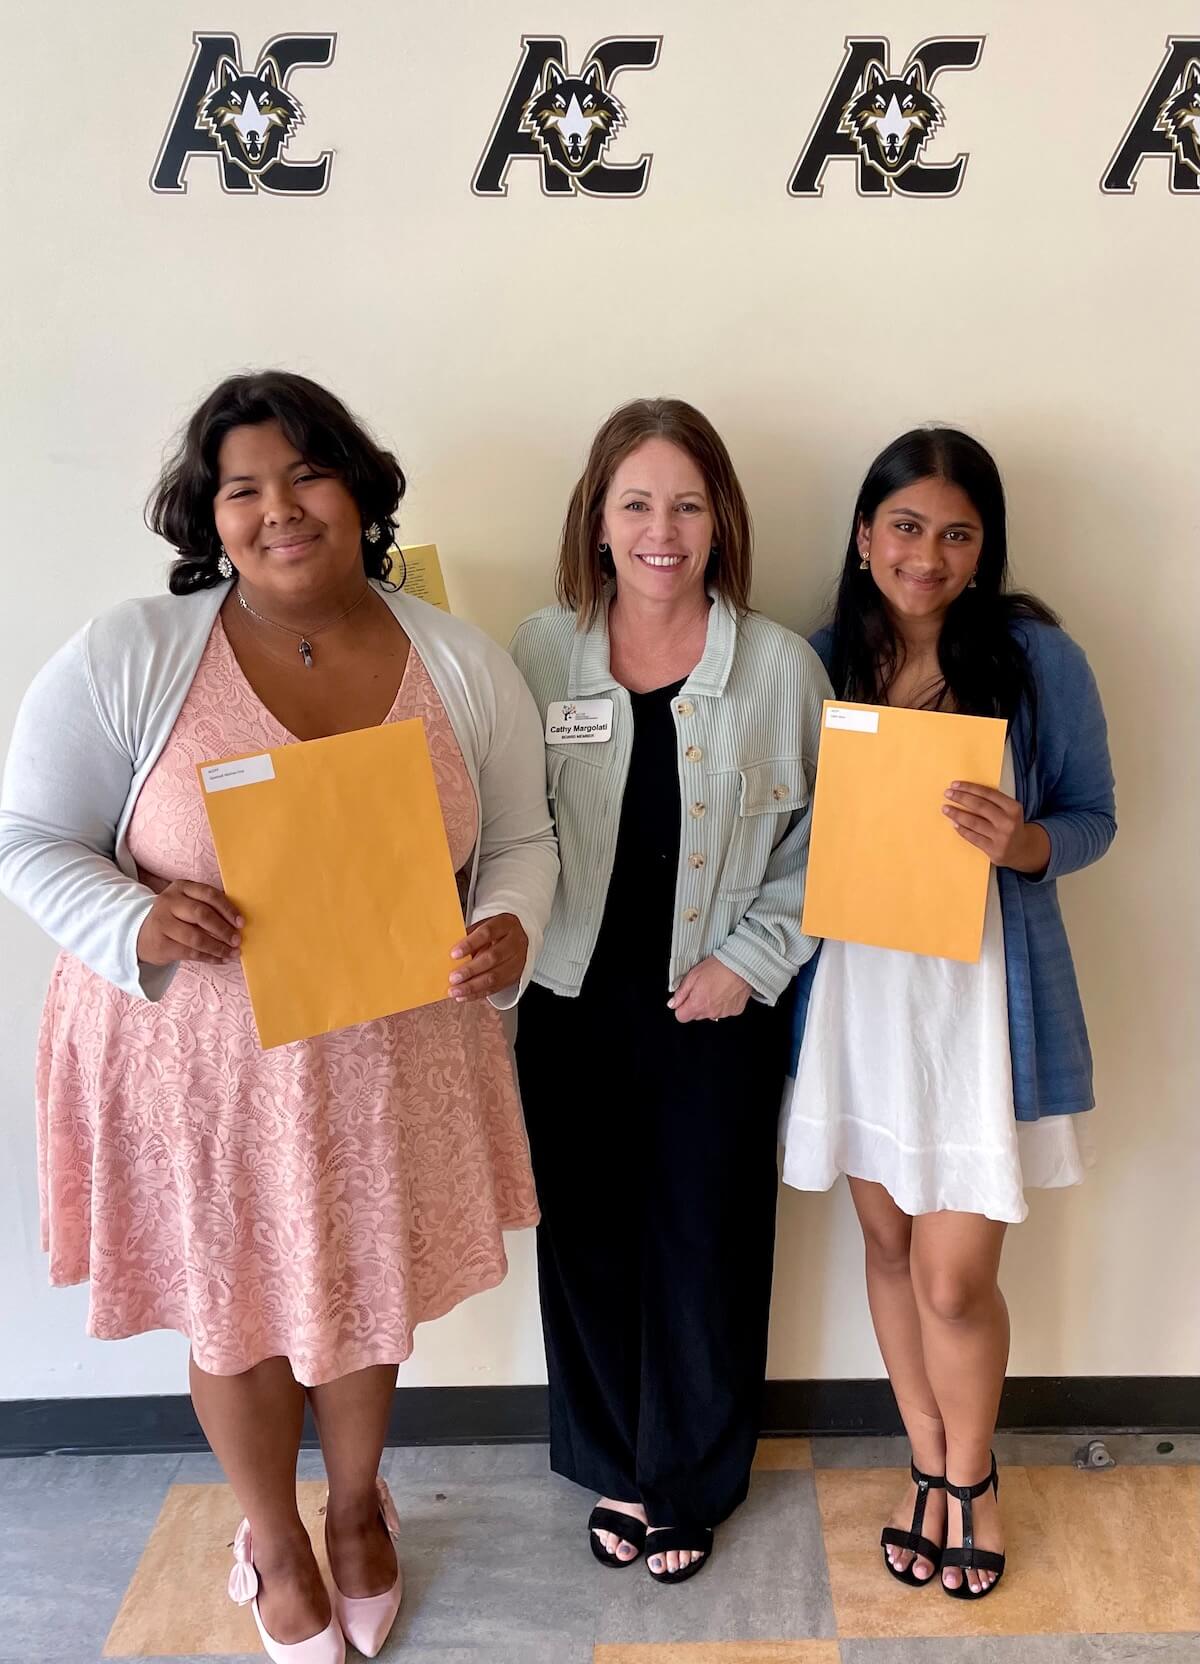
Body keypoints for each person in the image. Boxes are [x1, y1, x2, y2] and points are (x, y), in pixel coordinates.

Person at [0, 371, 558, 1664]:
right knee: (231, 1308)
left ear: (360, 490)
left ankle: (358, 1511)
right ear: (210, 517)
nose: (279, 510)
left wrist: (512, 926)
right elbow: (31, 840)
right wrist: (132, 918)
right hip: (193, 1069)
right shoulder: (133, 654)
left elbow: (522, 840)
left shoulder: (459, 662)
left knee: (365, 1304)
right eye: (241, 489)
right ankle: (272, 1535)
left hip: (386, 1056)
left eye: (306, 476)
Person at [781, 426, 1116, 1601]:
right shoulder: (816, 658)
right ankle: (924, 1457)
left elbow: (1093, 817)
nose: (928, 553)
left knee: (953, 1277)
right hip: (859, 997)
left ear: (986, 547)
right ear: (866, 536)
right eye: (907, 526)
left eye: (957, 532)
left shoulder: (1034, 659)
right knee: (885, 1243)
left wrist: (1022, 841)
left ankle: (971, 1478)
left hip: (979, 1004)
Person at [510, 398, 830, 1583]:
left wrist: (746, 965)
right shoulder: (538, 651)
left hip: (716, 1009)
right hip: (572, 1000)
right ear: (598, 519)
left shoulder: (783, 667)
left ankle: (689, 1477)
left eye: (688, 503)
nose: (662, 528)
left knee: (707, 1244)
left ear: (721, 520)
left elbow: (821, 850)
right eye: (637, 502)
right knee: (585, 1239)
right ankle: (613, 1460)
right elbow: (500, 821)